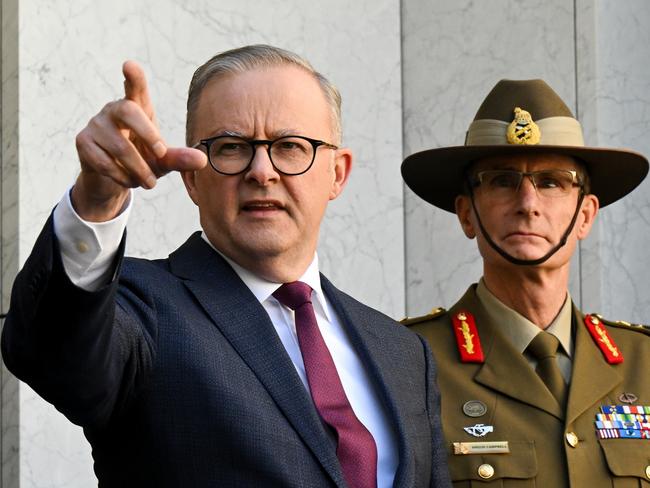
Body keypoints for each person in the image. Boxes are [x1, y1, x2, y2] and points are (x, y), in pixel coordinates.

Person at [2, 45, 451, 487]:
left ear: (337, 172)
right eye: (232, 147)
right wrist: (96, 202)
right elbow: (52, 353)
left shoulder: (404, 352)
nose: (262, 171)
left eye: (291, 146)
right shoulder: (141, 308)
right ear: (192, 178)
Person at [401, 79, 650, 486]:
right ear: (466, 215)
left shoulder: (645, 363)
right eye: (501, 180)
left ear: (585, 215)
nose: (528, 203)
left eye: (552, 181)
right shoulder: (410, 363)